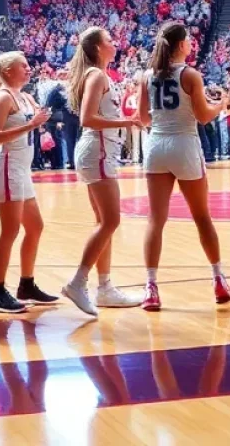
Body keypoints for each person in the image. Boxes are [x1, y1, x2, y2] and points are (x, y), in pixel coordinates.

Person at [137, 23, 230, 312]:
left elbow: (143, 118)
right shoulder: (190, 74)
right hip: (185, 146)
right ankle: (218, 279)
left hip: (156, 146)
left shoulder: (147, 76)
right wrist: (222, 104)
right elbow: (203, 116)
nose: (192, 42)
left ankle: (151, 287)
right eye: (188, 39)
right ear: (180, 45)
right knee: (202, 217)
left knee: (156, 220)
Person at [60, 27, 142, 317]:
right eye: (109, 40)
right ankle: (78, 281)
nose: (114, 43)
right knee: (111, 221)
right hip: (97, 150)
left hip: (97, 151)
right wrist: (127, 122)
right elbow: (87, 118)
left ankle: (104, 287)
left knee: (104, 222)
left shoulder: (99, 75)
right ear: (96, 48)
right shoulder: (96, 76)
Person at [0, 51, 57, 314]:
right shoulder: (2, 97)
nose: (28, 69)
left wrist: (44, 116)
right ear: (7, 72)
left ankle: (26, 284)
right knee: (10, 231)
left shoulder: (24, 96)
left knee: (35, 227)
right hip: (6, 165)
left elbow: (35, 118)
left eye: (27, 66)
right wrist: (31, 125)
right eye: (22, 66)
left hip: (21, 168)